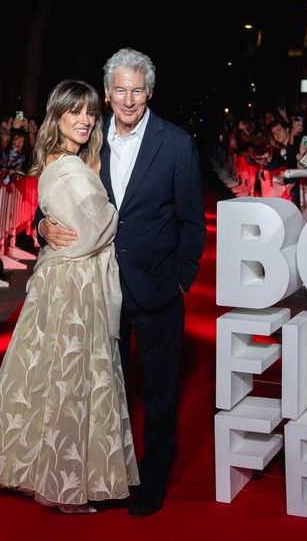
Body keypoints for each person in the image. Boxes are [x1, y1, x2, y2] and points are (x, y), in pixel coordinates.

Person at [39, 48, 206, 516]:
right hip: (97, 287)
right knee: (101, 389)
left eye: (137, 90)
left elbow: (192, 221)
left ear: (148, 92)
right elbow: (58, 195)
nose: (128, 99)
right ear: (107, 92)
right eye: (120, 89)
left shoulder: (175, 143)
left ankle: (152, 483)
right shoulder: (89, 140)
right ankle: (105, 478)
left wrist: (181, 281)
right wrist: (40, 227)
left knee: (159, 392)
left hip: (157, 289)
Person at [0, 80, 138, 513]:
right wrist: (49, 228)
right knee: (71, 375)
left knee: (51, 374)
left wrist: (45, 227)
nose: (83, 120)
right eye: (73, 113)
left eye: (88, 113)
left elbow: (74, 223)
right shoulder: (65, 166)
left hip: (66, 280)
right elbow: (97, 229)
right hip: (74, 284)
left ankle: (36, 468)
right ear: (57, 117)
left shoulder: (70, 161)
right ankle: (64, 483)